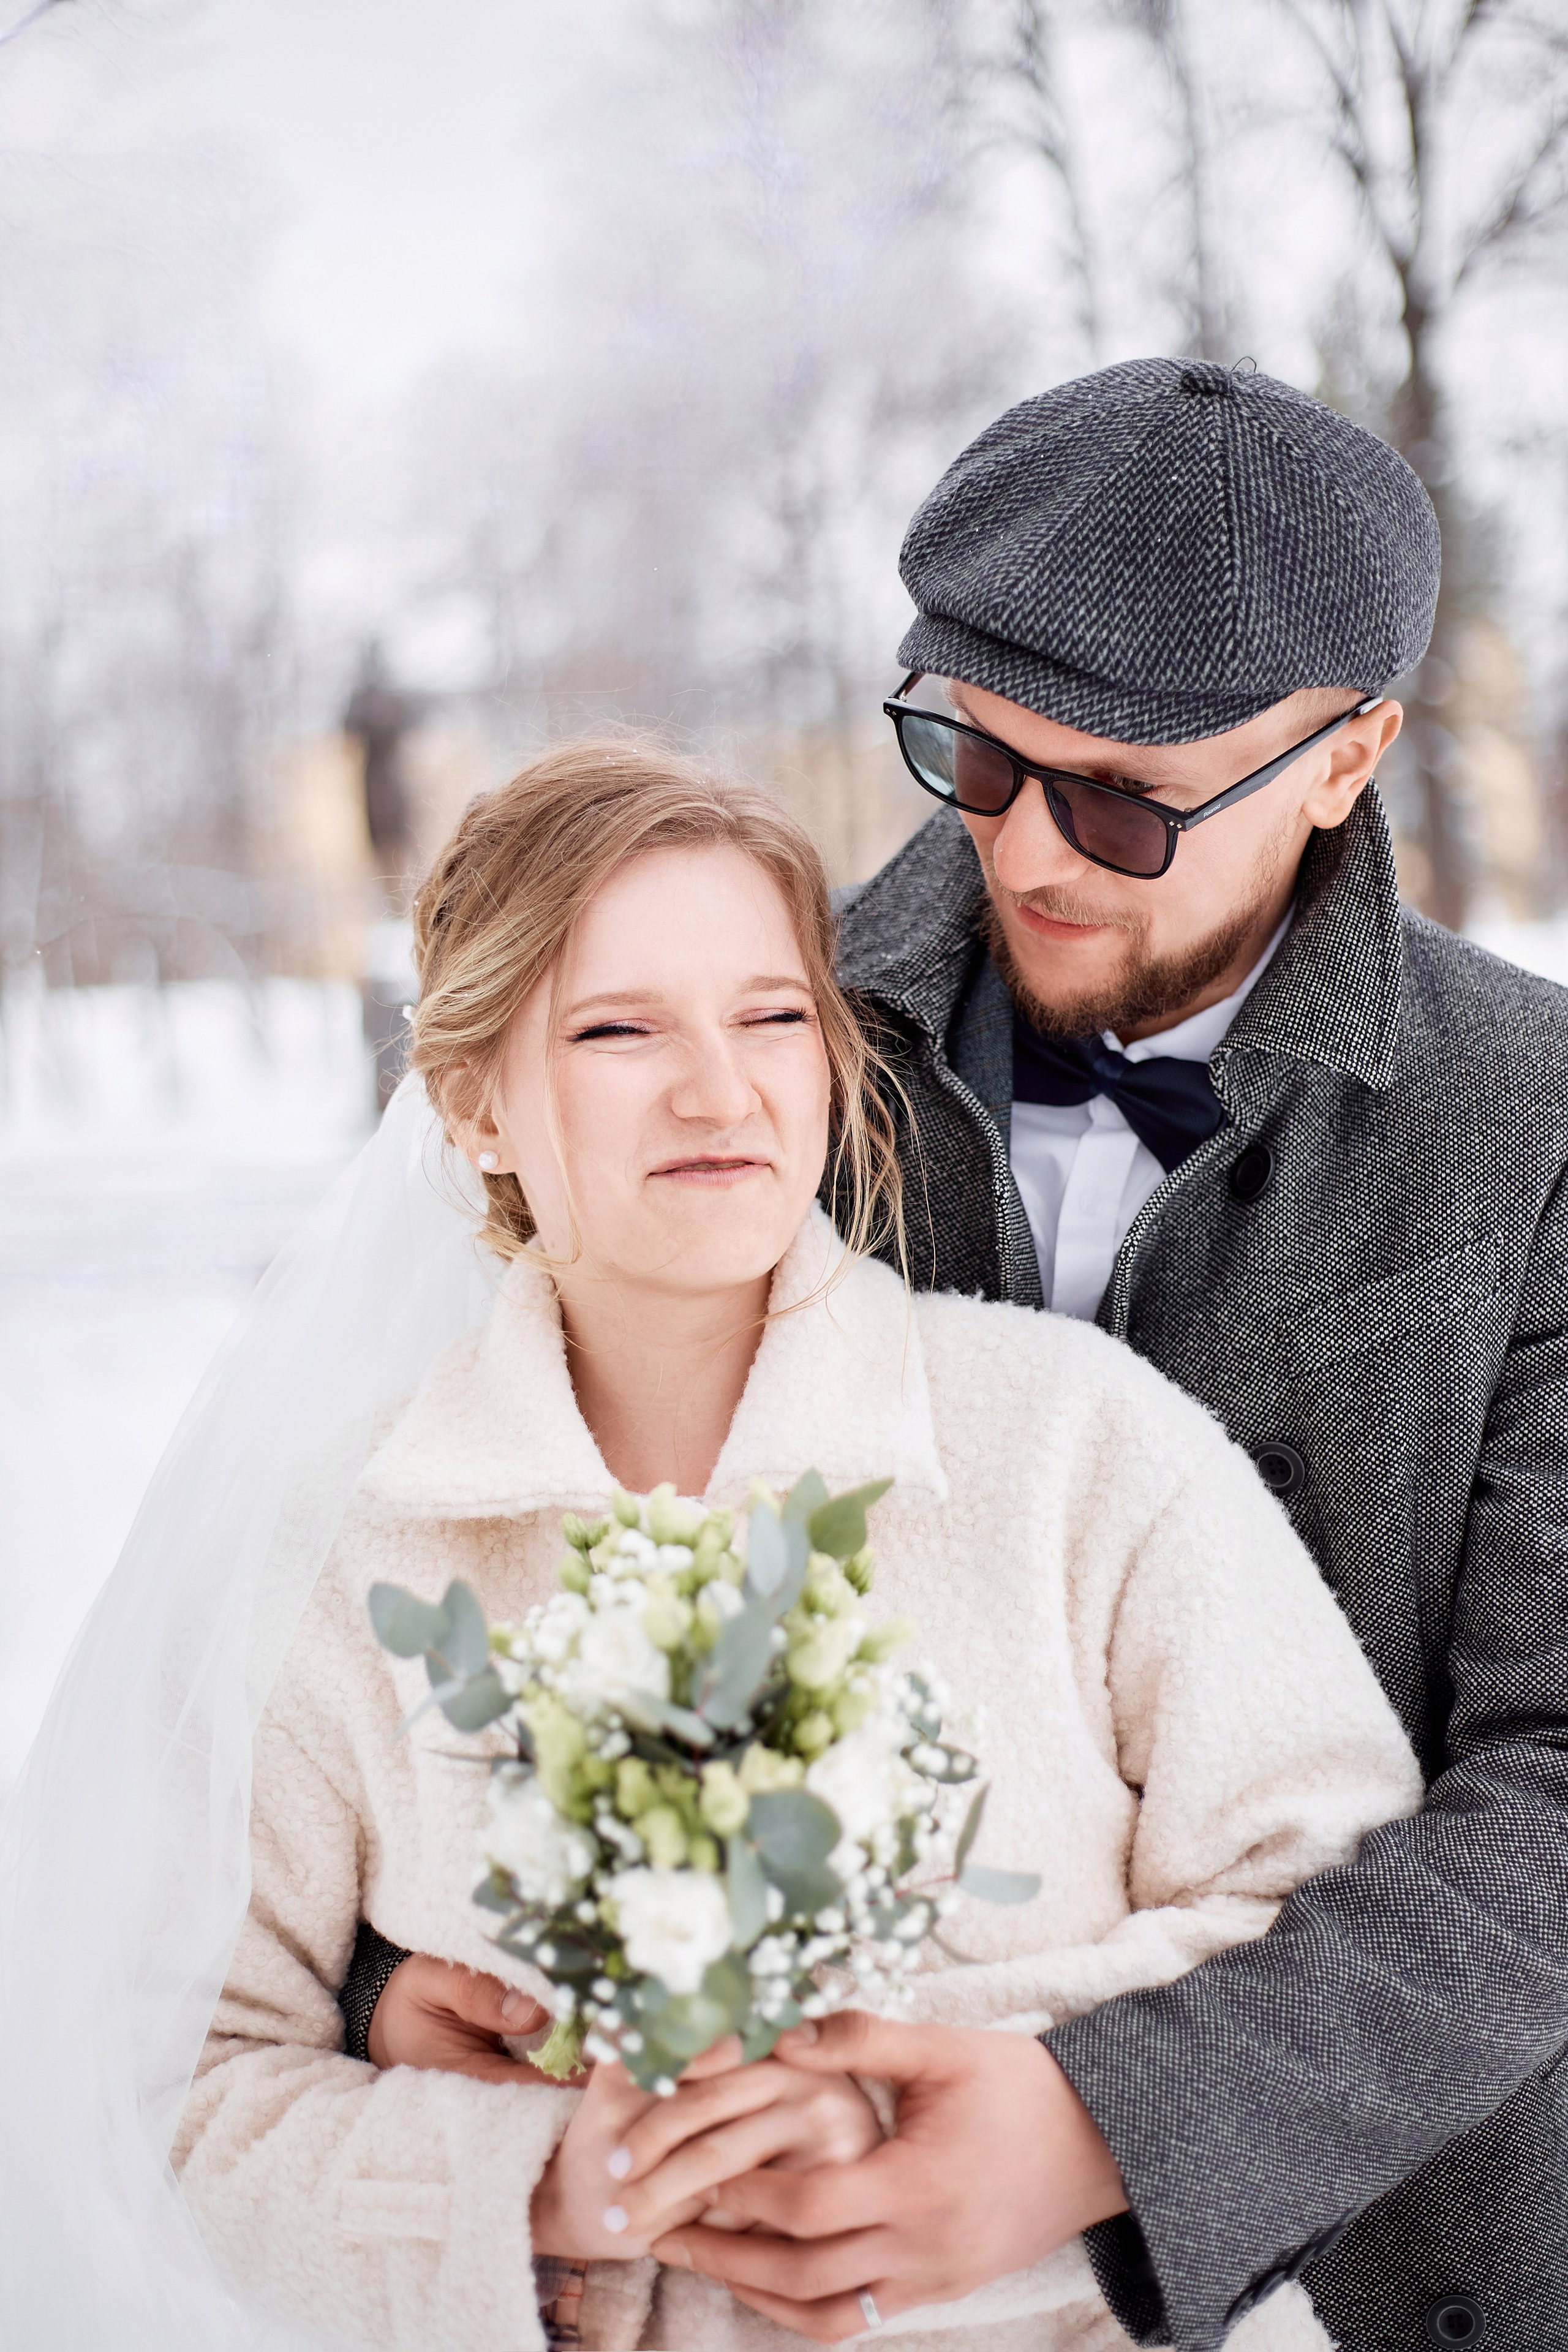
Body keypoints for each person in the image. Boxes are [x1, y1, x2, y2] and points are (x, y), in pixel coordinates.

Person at [352, 360, 1568, 2352]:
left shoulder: (1540, 1123)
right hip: (753, 2236)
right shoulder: (728, 1039)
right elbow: (461, 1538)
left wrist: (1118, 2119)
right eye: (974, 757)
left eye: (1124, 801)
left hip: (1395, 2251)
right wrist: (393, 1977)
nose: (1028, 855)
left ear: (1350, 759)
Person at [153, 743, 1420, 2352]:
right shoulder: (353, 1539)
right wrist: (549, 2184)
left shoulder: (1078, 1443)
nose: (720, 1088)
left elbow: (1348, 1919)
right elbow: (192, 2086)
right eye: (620, 1029)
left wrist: (995, 2112)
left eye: (771, 1016)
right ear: (472, 1103)